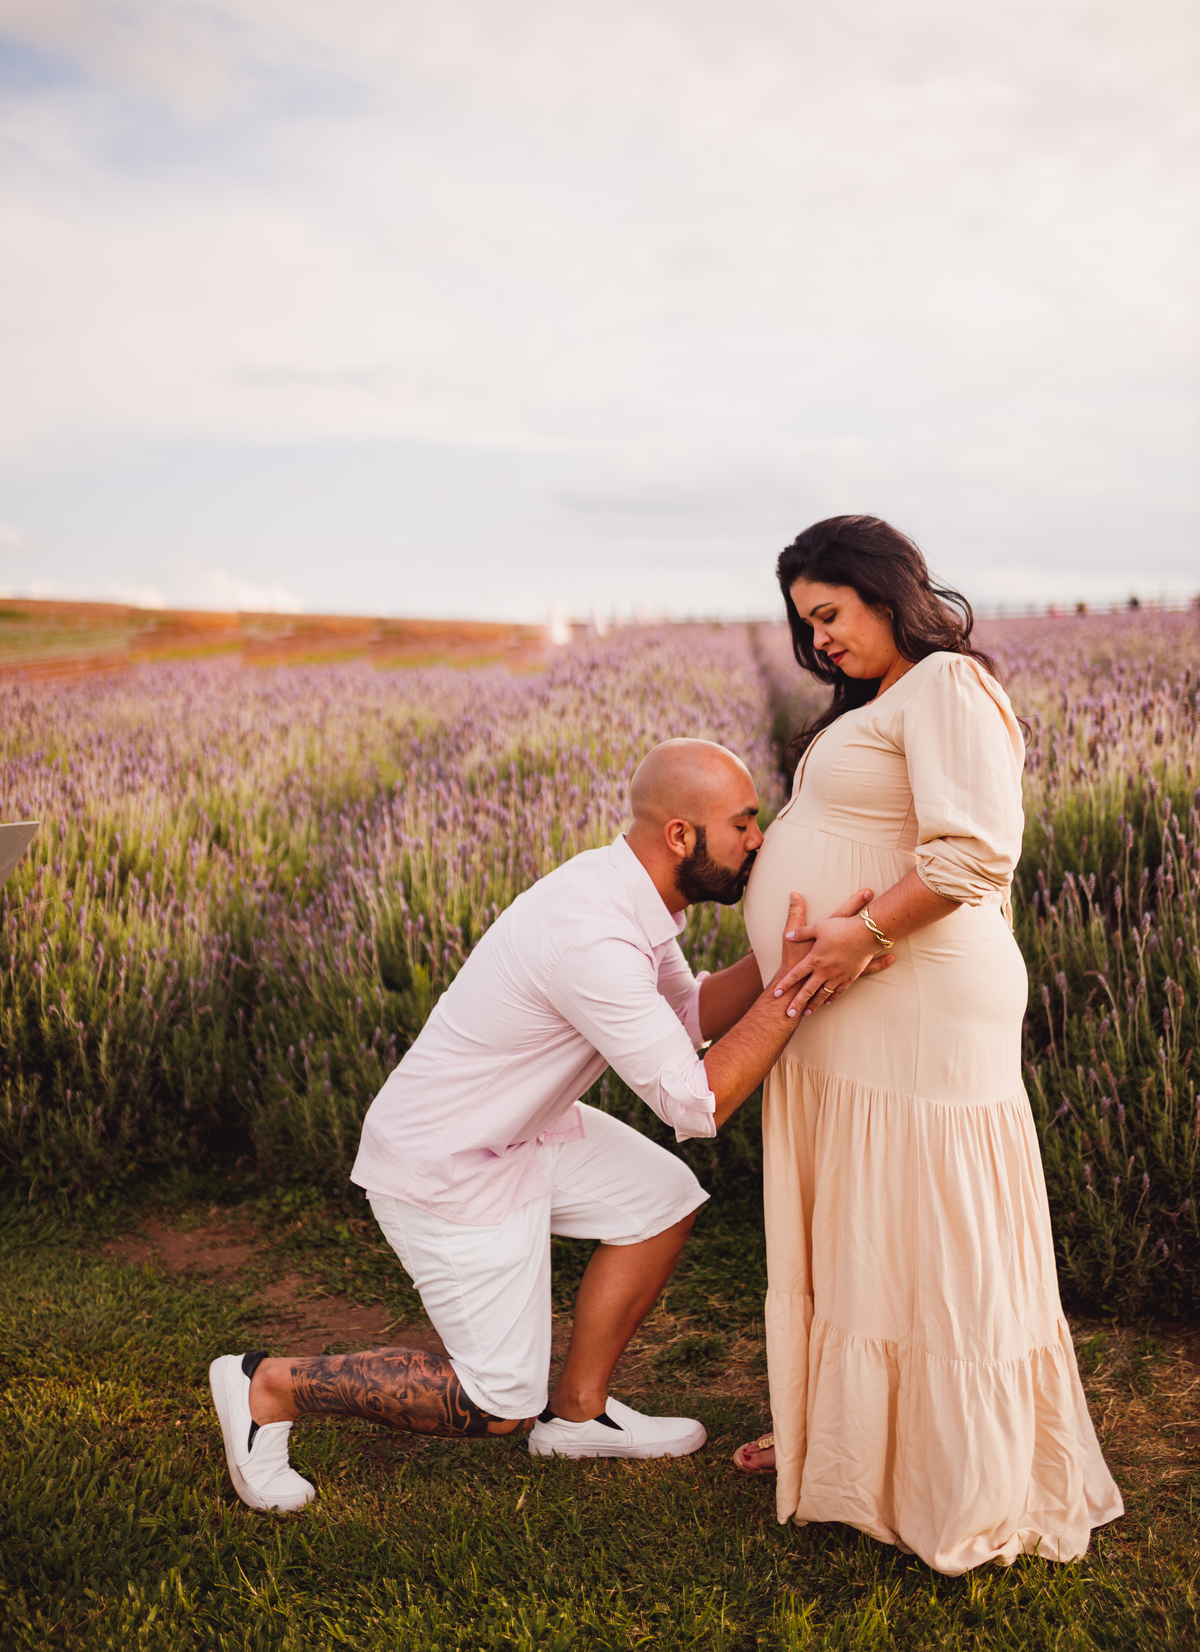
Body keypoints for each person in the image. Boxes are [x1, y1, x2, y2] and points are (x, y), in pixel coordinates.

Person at [209, 736, 891, 1512]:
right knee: (497, 1405)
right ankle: (265, 1386)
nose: (757, 839)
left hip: (523, 1130)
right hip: (445, 1161)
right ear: (680, 836)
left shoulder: (627, 894)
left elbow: (688, 1011)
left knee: (662, 1199)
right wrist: (803, 984)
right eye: (743, 823)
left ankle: (578, 1415)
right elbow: (696, 1104)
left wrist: (787, 958)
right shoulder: (592, 934)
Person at [734, 515, 1123, 1574]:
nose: (818, 642)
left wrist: (859, 935)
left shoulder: (947, 685)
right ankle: (848, 1440)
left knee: (928, 1230)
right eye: (803, 626)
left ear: (881, 589)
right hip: (855, 1006)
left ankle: (955, 1469)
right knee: (868, 1230)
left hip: (917, 1001)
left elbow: (973, 851)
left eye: (829, 614)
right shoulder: (884, 703)